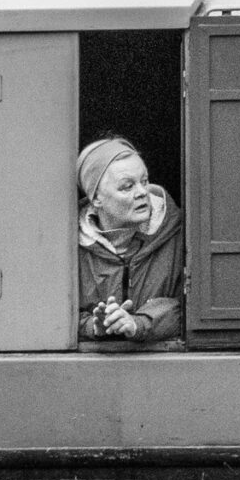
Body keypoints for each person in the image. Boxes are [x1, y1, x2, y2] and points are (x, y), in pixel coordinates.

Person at [76, 136, 183, 343]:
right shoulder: (70, 246)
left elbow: (189, 307)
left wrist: (138, 324)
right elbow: (57, 312)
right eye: (127, 186)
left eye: (144, 181)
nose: (142, 192)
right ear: (96, 198)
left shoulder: (178, 234)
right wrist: (96, 326)